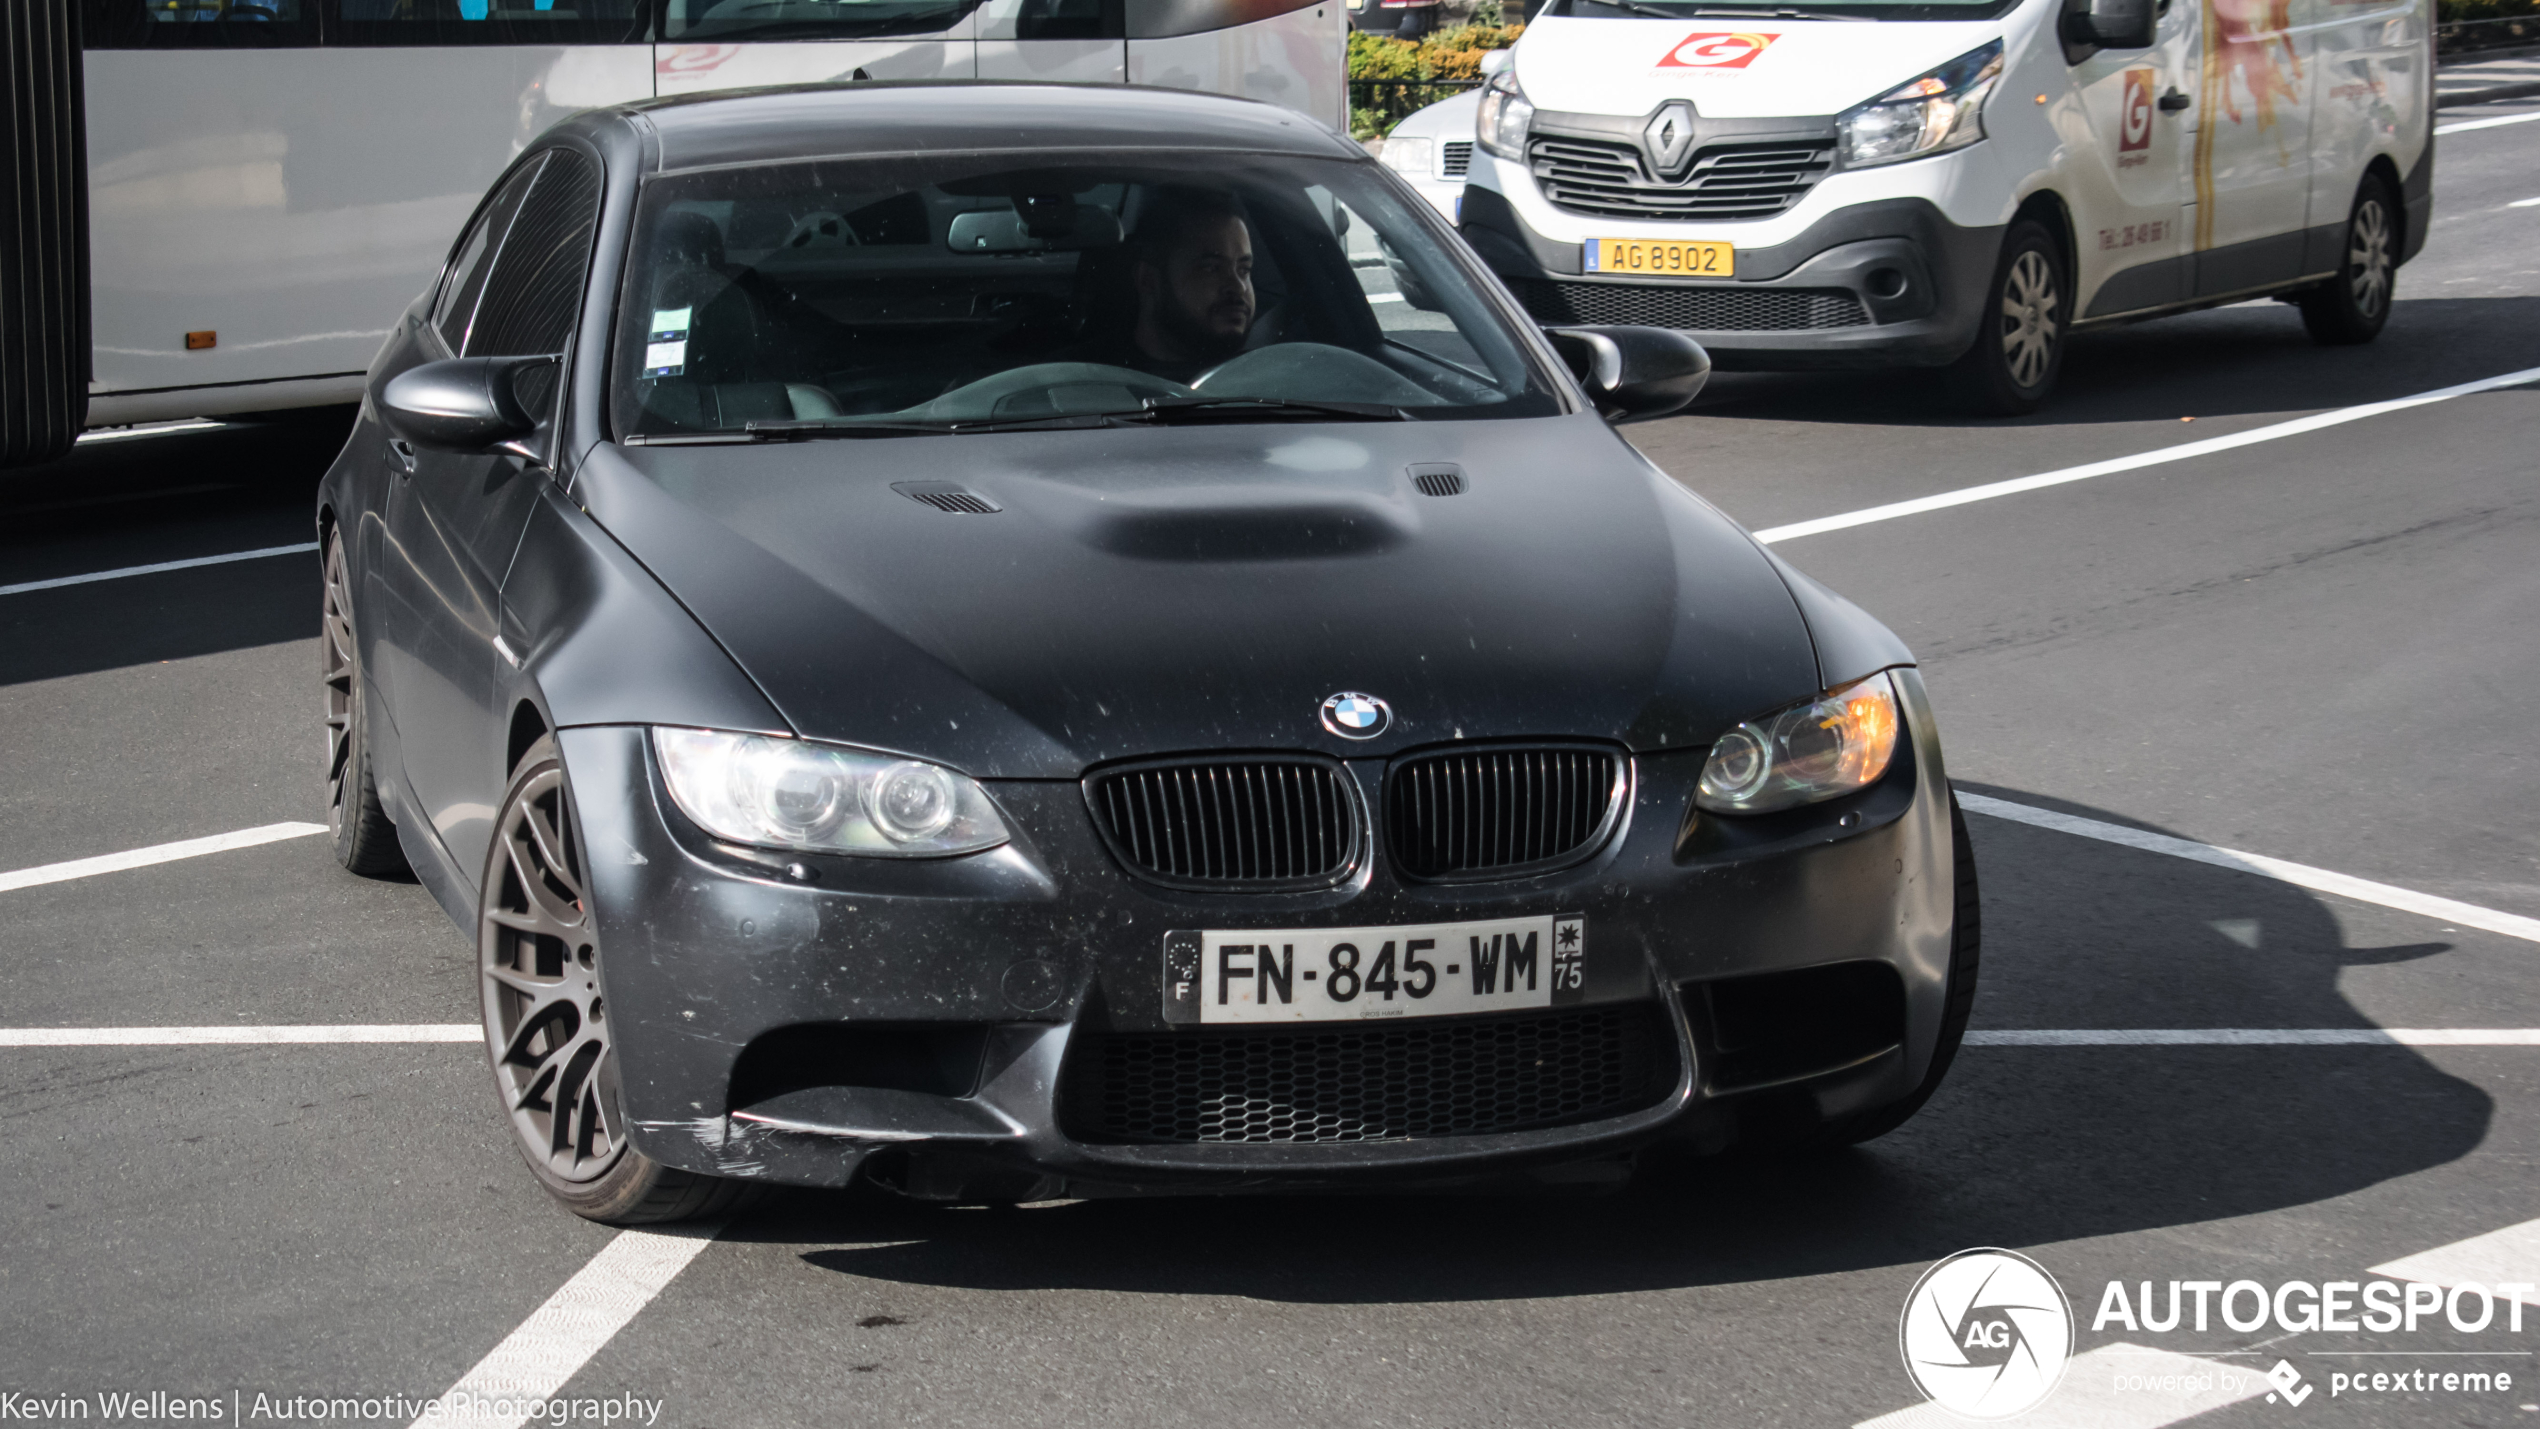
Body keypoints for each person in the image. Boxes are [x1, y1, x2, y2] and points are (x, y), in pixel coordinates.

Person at [1094, 188, 1257, 384]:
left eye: (1244, 270)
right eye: (1211, 268)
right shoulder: (1085, 380)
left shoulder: (1263, 378)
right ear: (1147, 279)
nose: (1239, 287)